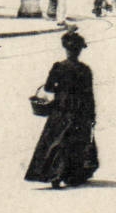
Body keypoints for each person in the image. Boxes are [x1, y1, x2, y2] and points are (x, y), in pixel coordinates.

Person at [24, 29, 98, 189]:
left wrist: (60, 88)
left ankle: (54, 174)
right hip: (79, 110)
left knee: (56, 141)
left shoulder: (59, 67)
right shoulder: (85, 69)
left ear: (66, 49)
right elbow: (89, 94)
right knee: (75, 141)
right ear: (79, 51)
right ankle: (71, 174)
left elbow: (48, 88)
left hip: (61, 108)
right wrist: (92, 115)